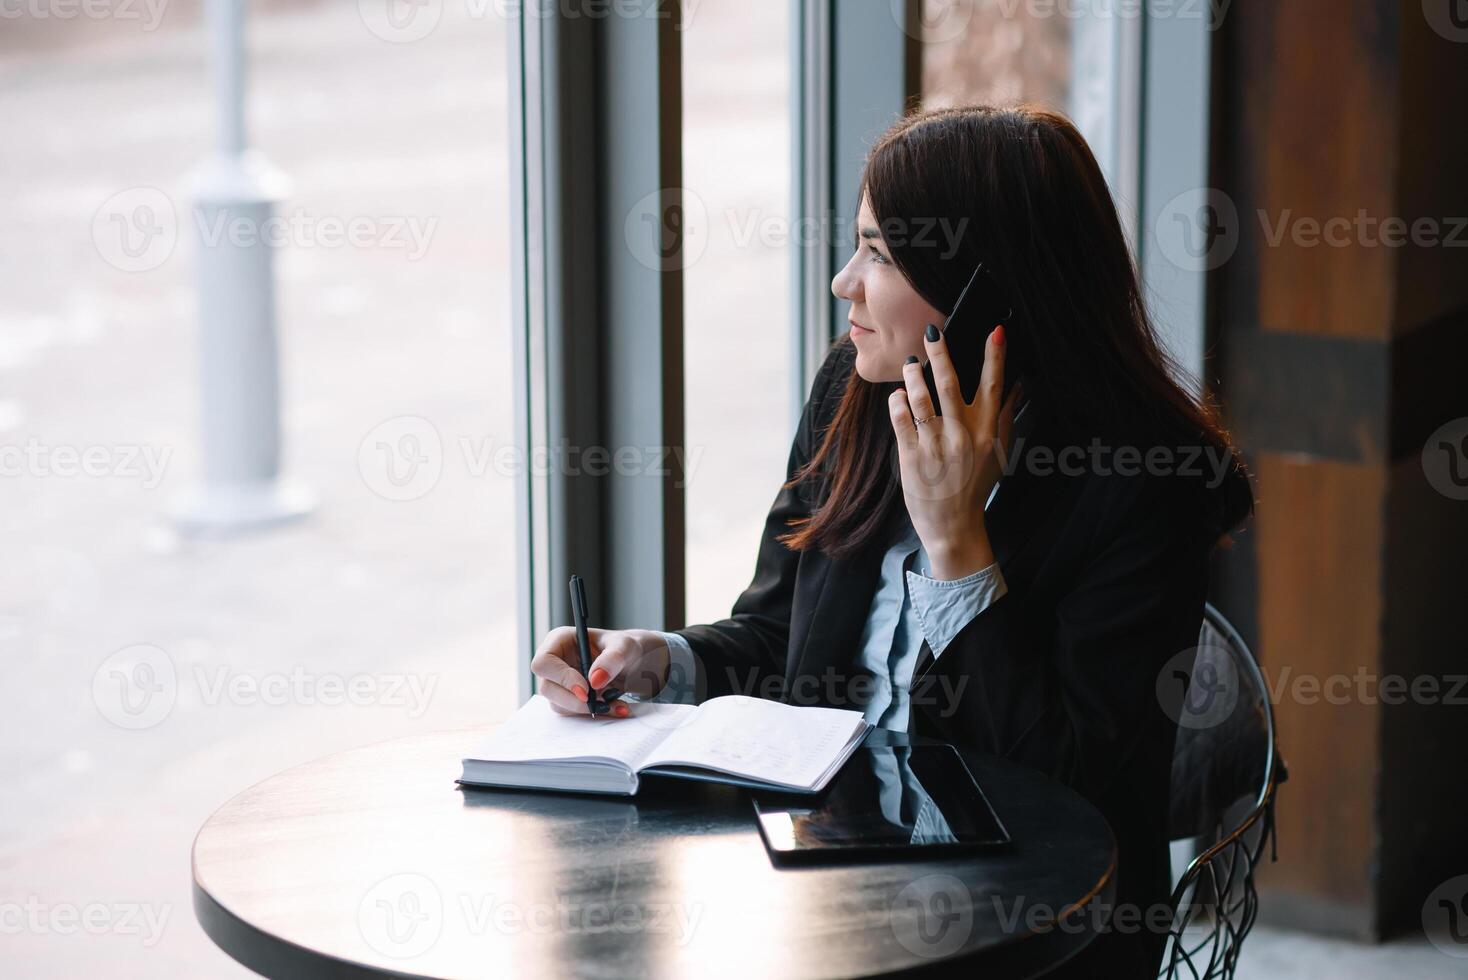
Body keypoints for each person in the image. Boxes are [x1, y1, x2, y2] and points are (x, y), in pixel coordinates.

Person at [532, 104, 1253, 975]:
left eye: (878, 253)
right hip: (823, 878)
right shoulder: (859, 389)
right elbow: (777, 638)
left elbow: (1065, 790)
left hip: (1027, 928)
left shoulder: (1145, 482)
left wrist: (957, 548)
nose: (845, 282)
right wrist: (660, 659)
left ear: (984, 288)